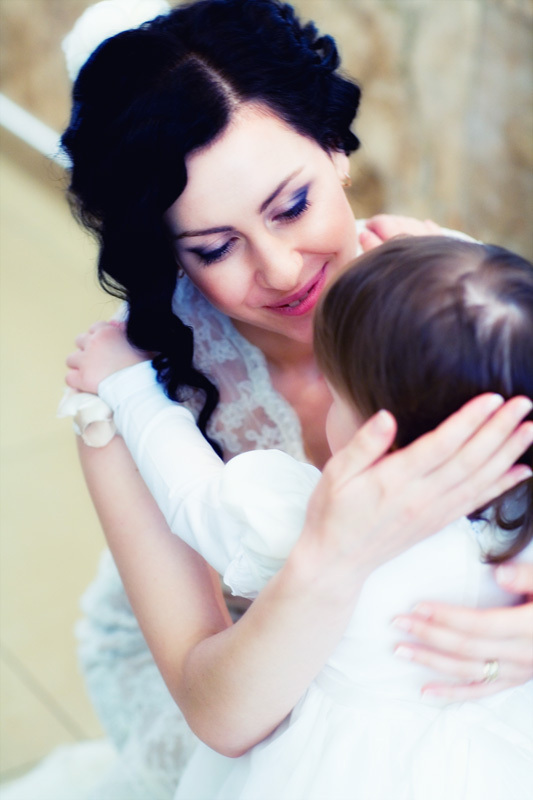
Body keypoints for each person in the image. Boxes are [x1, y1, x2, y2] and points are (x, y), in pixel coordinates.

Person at [59, 1, 533, 796]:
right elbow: (222, 715)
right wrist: (333, 552)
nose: (280, 269)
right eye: (215, 248)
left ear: (335, 150)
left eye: (292, 206)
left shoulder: (458, 295)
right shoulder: (126, 393)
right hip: (232, 685)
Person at [66, 235, 533, 799]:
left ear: (374, 436)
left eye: (338, 396)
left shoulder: (313, 517)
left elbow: (198, 499)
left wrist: (129, 385)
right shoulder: (520, 512)